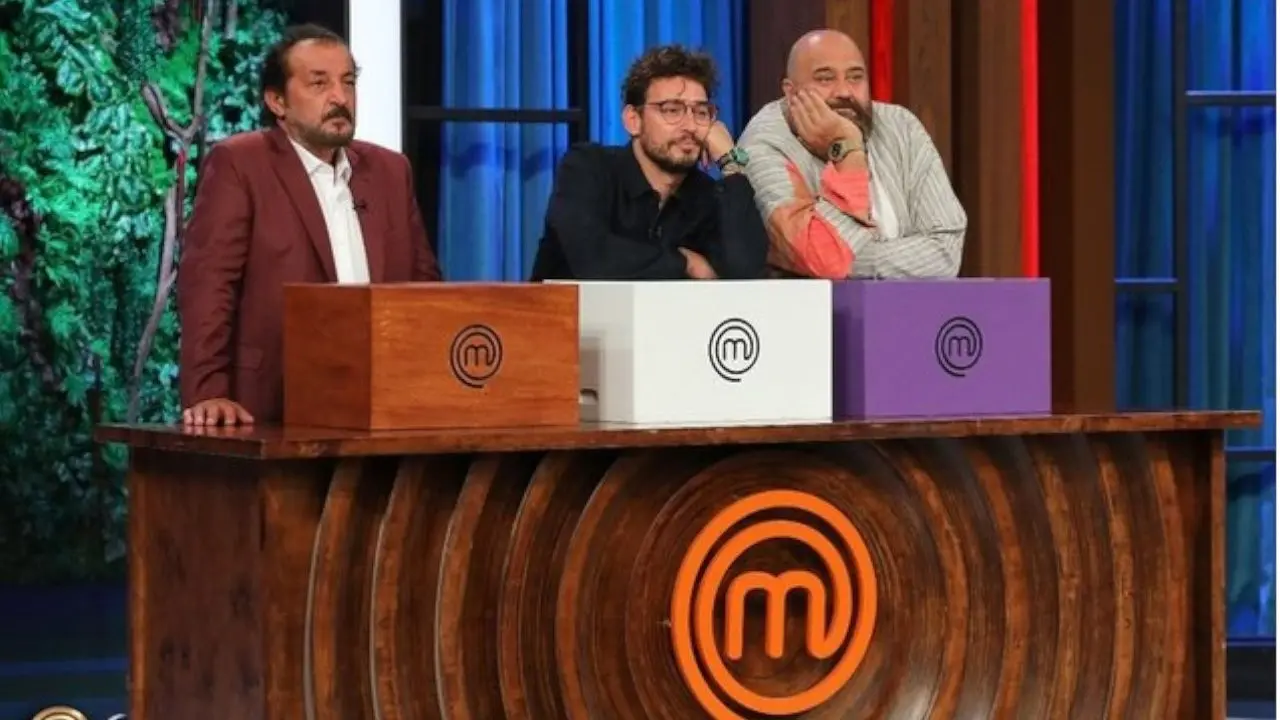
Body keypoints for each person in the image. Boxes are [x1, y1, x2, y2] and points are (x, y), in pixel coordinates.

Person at [178, 23, 441, 426]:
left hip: (385, 405)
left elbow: (425, 289)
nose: (340, 97)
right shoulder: (241, 164)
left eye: (348, 82)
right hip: (273, 403)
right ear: (277, 101)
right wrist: (208, 392)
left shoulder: (390, 171)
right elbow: (210, 285)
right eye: (319, 84)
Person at [737, 29, 966, 279]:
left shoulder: (901, 126)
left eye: (855, 77)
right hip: (817, 305)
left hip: (911, 302)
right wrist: (847, 148)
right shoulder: (763, 145)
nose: (844, 91)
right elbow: (823, 258)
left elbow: (946, 250)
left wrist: (847, 263)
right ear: (791, 92)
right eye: (825, 79)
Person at [529, 45, 769, 281]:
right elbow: (593, 258)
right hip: (563, 308)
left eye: (701, 112)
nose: (690, 126)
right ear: (633, 120)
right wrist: (685, 263)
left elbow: (746, 274)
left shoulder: (706, 195)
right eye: (672, 110)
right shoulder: (587, 168)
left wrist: (730, 164)